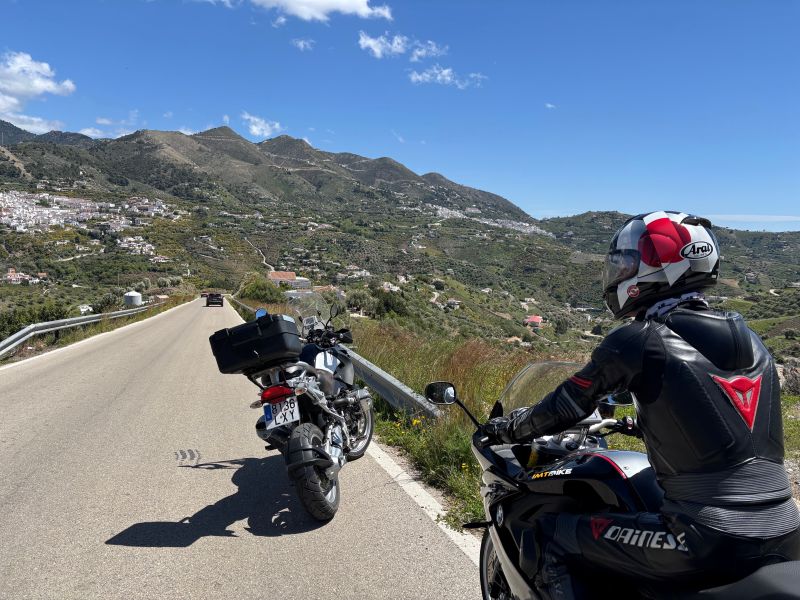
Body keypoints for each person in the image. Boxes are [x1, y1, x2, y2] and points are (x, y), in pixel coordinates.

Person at [484, 210, 800, 599]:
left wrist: (509, 428)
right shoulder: (751, 340)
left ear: (657, 267)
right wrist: (642, 424)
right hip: (787, 530)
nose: (618, 272)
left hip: (703, 539)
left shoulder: (639, 339)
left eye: (626, 262)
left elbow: (566, 404)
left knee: (554, 535)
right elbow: (718, 420)